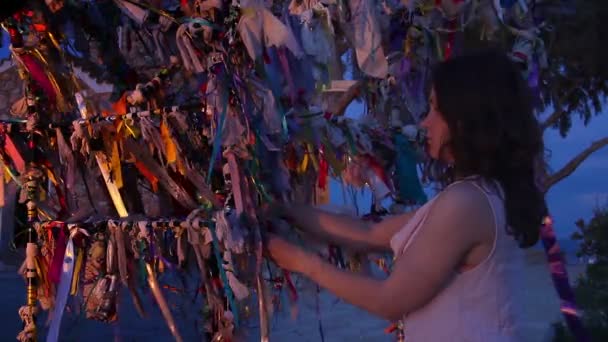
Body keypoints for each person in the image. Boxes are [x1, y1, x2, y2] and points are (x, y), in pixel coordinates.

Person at [264, 49, 547, 341]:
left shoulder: (468, 203)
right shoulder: (482, 194)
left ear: (465, 119)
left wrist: (302, 263)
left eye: (436, 109)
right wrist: (287, 212)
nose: (425, 122)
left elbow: (391, 300)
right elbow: (370, 234)